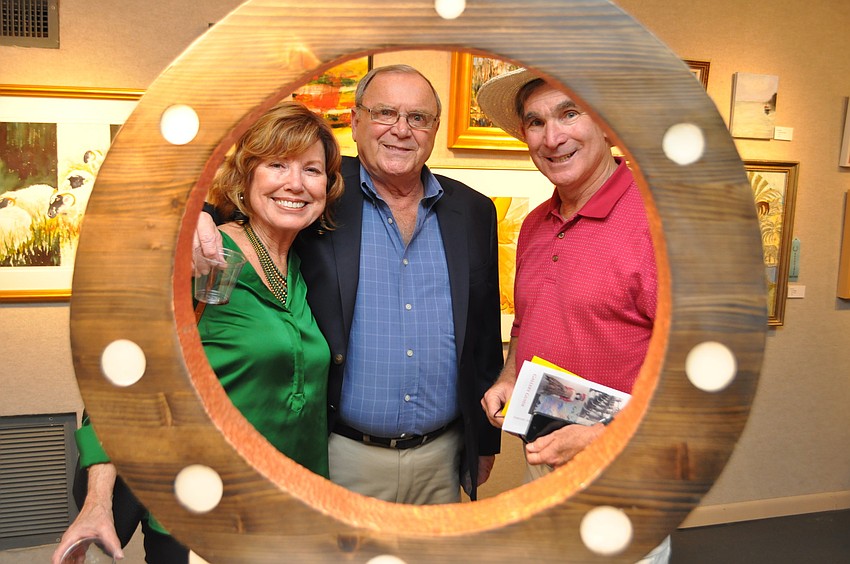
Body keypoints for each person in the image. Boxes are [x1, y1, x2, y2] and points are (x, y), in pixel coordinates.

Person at [53, 100, 344, 564]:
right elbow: (121, 384)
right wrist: (96, 503)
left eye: (312, 169)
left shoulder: (309, 266)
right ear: (245, 178)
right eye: (276, 164)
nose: (295, 183)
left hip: (292, 513)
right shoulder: (199, 258)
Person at [197, 64, 503, 504]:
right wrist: (194, 221)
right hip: (343, 454)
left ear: (433, 129)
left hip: (442, 455)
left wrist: (484, 443)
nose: (401, 130)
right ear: (356, 122)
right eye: (385, 113)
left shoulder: (473, 211)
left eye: (418, 117)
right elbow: (247, 208)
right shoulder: (322, 193)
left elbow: (483, 335)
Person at [476, 69, 667, 563]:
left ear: (605, 123)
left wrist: (602, 437)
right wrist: (509, 374)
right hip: (546, 456)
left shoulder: (659, 223)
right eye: (536, 122)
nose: (552, 137)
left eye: (569, 113)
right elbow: (527, 322)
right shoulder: (536, 224)